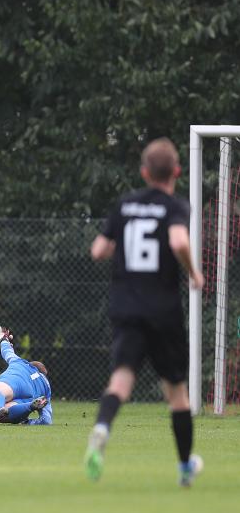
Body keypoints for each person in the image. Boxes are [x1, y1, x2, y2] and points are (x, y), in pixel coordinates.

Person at [85, 137, 205, 487]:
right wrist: (193, 272)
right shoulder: (174, 206)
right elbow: (179, 241)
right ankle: (185, 468)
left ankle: (102, 428)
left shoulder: (126, 204)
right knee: (176, 393)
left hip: (126, 307)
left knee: (121, 380)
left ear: (144, 172)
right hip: (163, 310)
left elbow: (98, 250)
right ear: (176, 172)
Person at [0, 326, 52, 425]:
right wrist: (28, 422)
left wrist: (3, 338)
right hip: (29, 397)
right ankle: (29, 407)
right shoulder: (46, 387)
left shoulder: (21, 362)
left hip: (16, 382)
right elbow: (46, 420)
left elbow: (6, 351)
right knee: (4, 411)